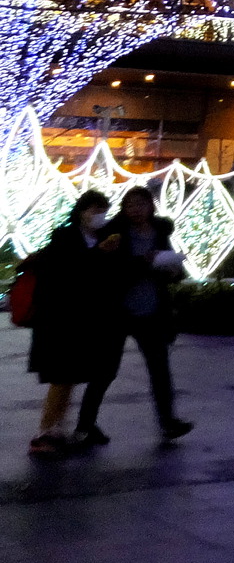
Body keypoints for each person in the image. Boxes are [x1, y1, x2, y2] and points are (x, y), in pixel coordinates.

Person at [76, 185, 192, 443]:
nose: (136, 210)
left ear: (151, 206)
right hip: (118, 311)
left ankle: (168, 422)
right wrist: (144, 262)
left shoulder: (159, 232)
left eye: (141, 204)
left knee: (159, 369)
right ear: (123, 209)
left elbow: (167, 262)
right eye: (130, 205)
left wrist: (173, 270)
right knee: (105, 371)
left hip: (151, 311)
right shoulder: (115, 234)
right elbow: (111, 270)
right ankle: (85, 425)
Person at [25, 191, 115, 456]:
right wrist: (98, 254)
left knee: (70, 377)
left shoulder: (102, 238)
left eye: (103, 210)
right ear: (82, 211)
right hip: (59, 318)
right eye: (94, 209)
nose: (99, 216)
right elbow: (66, 271)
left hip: (83, 320)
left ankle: (56, 429)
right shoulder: (64, 236)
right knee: (61, 376)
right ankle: (44, 432)